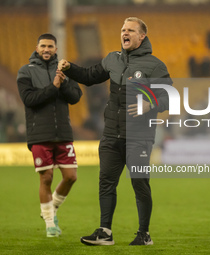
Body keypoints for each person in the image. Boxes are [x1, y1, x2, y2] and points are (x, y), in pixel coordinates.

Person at [59, 17, 172, 246]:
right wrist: (70, 68)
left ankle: (144, 234)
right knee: (106, 181)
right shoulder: (113, 59)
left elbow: (169, 96)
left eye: (130, 30)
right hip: (111, 134)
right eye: (122, 29)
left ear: (142, 36)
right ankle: (105, 232)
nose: (125, 33)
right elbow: (90, 77)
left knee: (139, 182)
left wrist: (150, 105)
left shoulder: (154, 65)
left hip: (138, 137)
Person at [17, 33, 82, 237]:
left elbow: (76, 97)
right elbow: (30, 99)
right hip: (39, 134)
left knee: (71, 177)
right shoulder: (25, 71)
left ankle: (50, 208)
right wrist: (53, 86)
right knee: (47, 178)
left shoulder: (65, 70)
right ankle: (49, 224)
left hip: (63, 132)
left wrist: (62, 82)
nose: (47, 49)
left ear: (55, 49)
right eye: (43, 46)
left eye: (50, 46)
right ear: (37, 48)